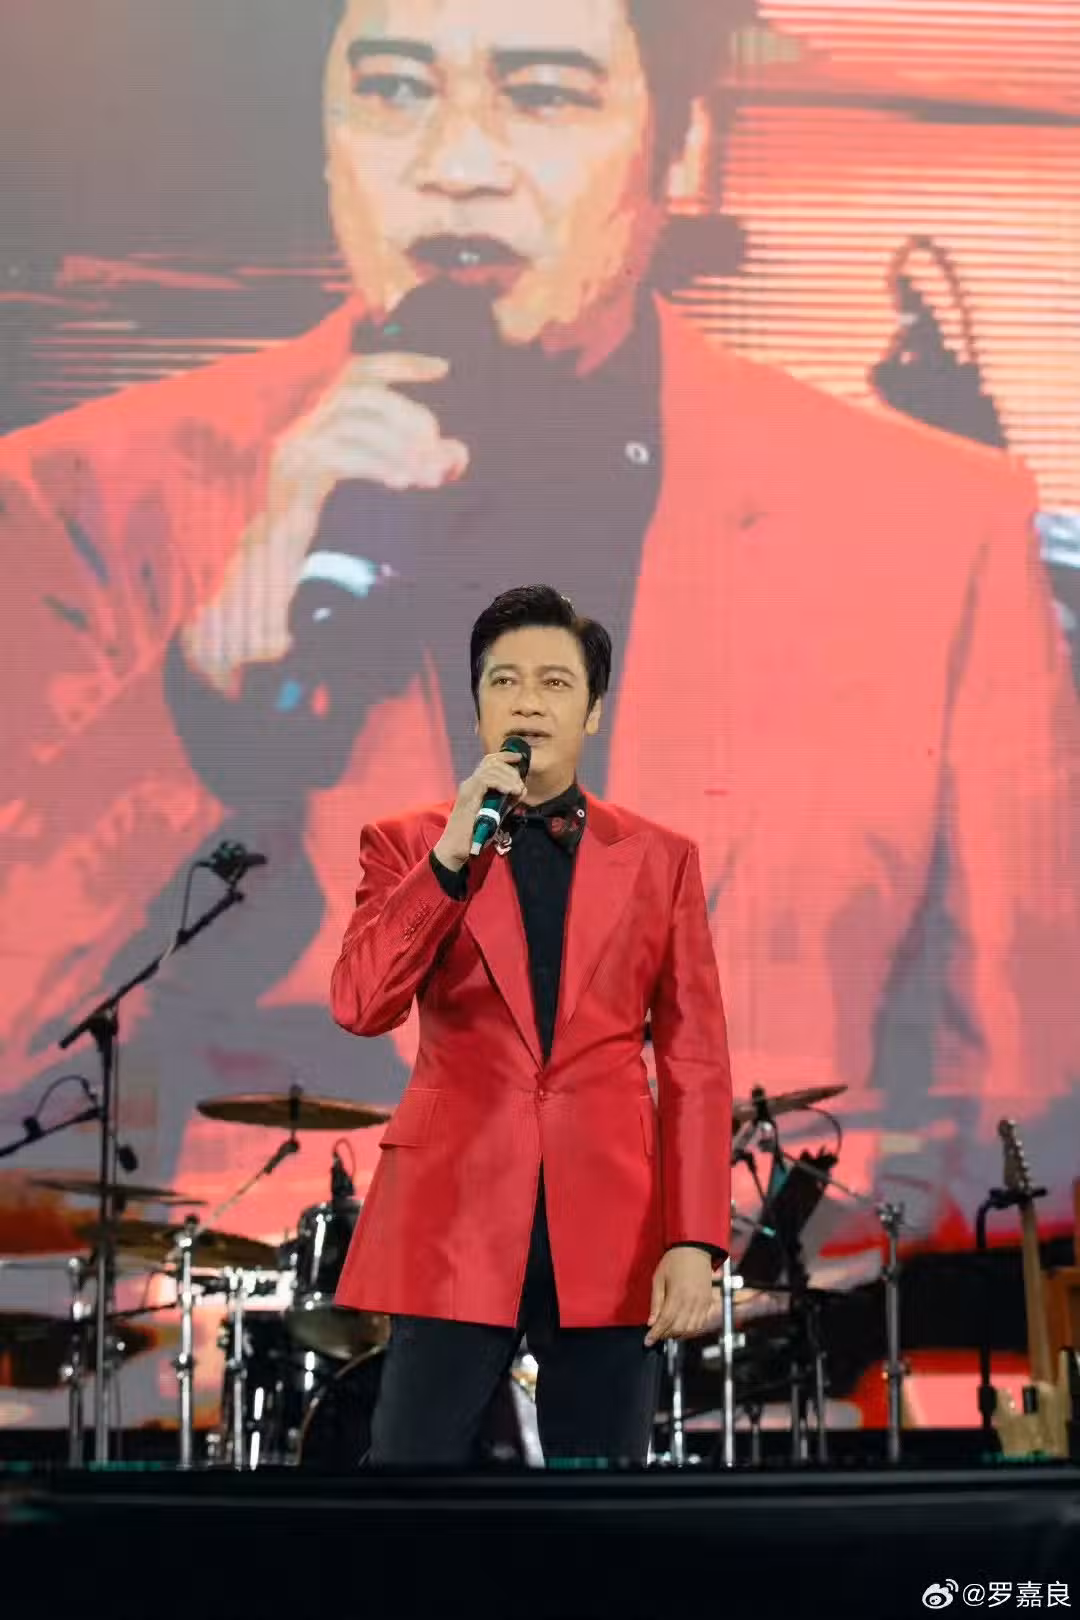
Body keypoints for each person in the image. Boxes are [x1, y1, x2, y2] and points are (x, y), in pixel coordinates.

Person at [1, 0, 1077, 1238]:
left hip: (742, 1326)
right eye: (395, 88)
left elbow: (1027, 1112)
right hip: (303, 1326)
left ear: (678, 149)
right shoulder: (90, 499)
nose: (455, 162)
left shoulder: (933, 524)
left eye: (544, 92)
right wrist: (203, 690)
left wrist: (781, 1254)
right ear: (326, 137)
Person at [331, 585, 732, 1464]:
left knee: (600, 1499)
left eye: (555, 683)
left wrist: (695, 1238)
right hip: (453, 1214)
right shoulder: (408, 843)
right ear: (476, 707)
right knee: (405, 1480)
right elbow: (361, 1005)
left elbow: (696, 1063)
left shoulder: (661, 860)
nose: (527, 702)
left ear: (592, 711)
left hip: (613, 1221)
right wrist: (448, 858)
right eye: (504, 681)